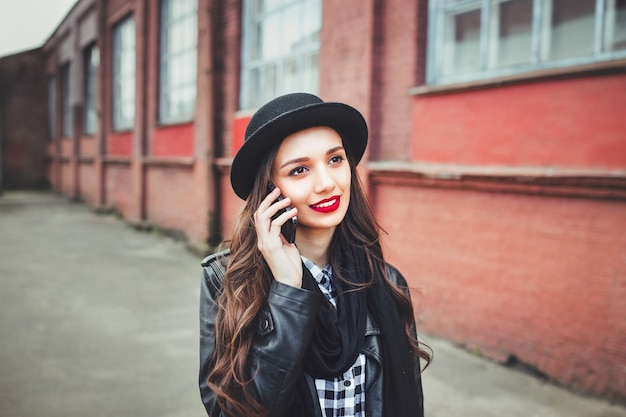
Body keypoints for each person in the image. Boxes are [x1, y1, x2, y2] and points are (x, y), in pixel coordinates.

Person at [199, 92, 431, 417]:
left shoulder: (387, 282)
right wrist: (287, 292)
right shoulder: (226, 283)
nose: (326, 183)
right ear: (268, 190)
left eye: (335, 160)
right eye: (299, 170)